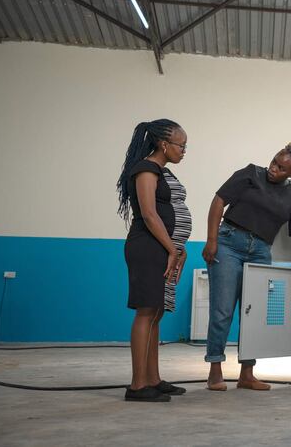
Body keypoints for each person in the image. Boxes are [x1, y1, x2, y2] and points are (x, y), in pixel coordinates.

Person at [202, 143, 291, 391]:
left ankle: (246, 374)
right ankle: (214, 370)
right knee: (222, 310)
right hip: (228, 243)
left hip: (260, 251)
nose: (274, 169)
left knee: (253, 315)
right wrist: (212, 240)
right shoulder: (251, 173)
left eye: (282, 168)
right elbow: (219, 202)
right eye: (274, 162)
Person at [117, 119, 191, 402]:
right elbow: (149, 214)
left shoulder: (163, 171)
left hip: (163, 247)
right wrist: (172, 249)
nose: (184, 150)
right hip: (148, 247)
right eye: (181, 145)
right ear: (164, 144)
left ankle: (153, 378)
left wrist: (178, 248)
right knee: (146, 311)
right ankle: (138, 386)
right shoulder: (146, 169)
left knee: (156, 312)